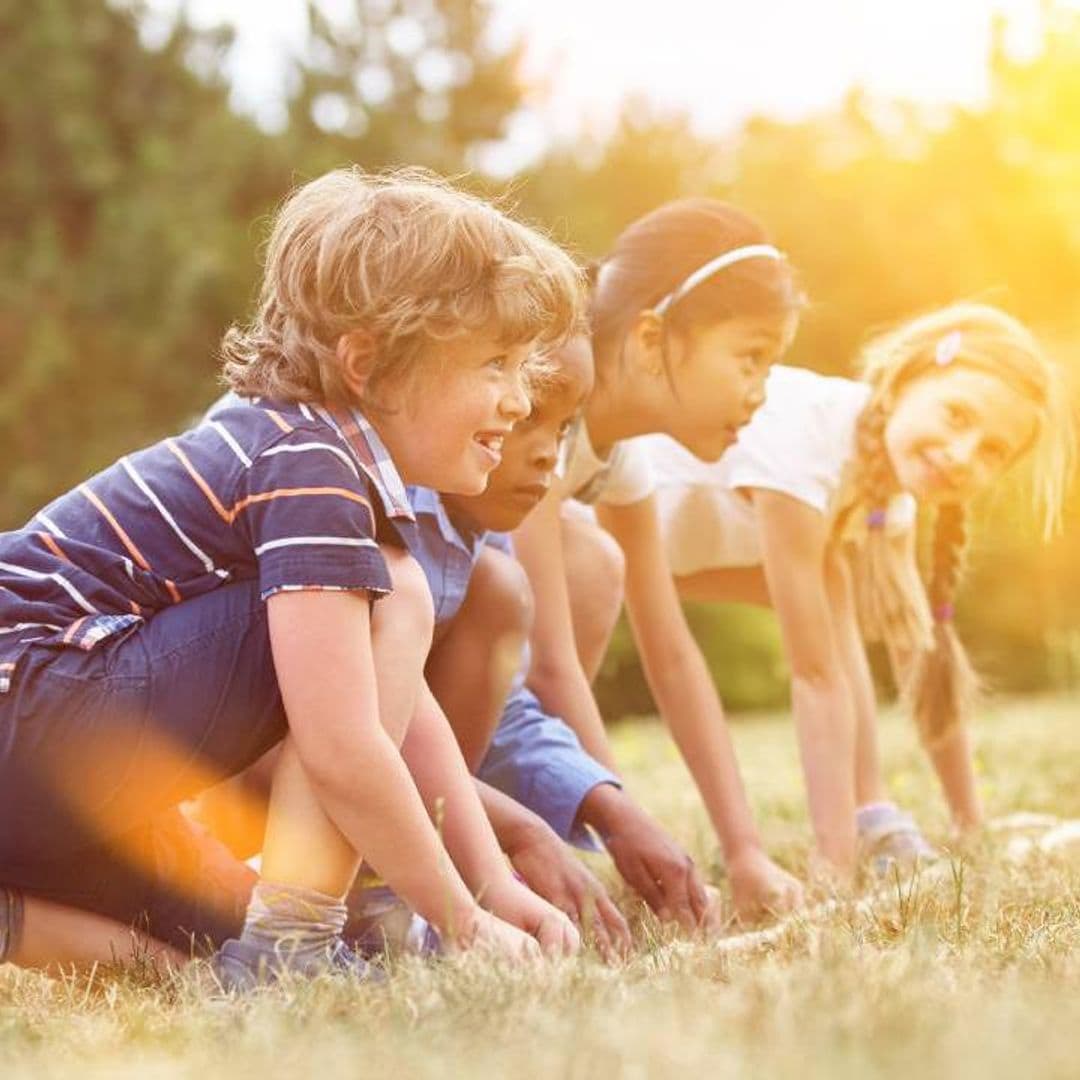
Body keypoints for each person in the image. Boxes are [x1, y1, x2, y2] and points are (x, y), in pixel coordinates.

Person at [0, 167, 584, 978]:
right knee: (392, 595)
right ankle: (294, 943)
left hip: (42, 772)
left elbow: (399, 704)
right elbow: (343, 741)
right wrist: (463, 920)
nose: (521, 401)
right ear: (366, 365)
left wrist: (489, 883)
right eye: (496, 363)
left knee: (215, 940)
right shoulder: (309, 462)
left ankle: (261, 947)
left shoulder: (291, 444)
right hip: (31, 717)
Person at [633, 302, 1074, 874]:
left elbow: (919, 652)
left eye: (992, 451)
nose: (963, 455)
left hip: (657, 562)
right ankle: (851, 834)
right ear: (909, 378)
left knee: (832, 578)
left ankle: (872, 814)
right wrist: (832, 868)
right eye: (958, 416)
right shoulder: (808, 438)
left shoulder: (883, 491)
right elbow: (814, 674)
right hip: (582, 530)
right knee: (828, 584)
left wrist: (970, 825)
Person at [512, 199, 807, 918]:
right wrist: (632, 839)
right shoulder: (545, 408)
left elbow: (671, 654)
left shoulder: (619, 454)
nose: (760, 393)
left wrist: (744, 853)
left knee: (593, 558)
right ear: (651, 338)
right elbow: (547, 663)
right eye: (750, 358)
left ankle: (537, 821)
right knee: (587, 562)